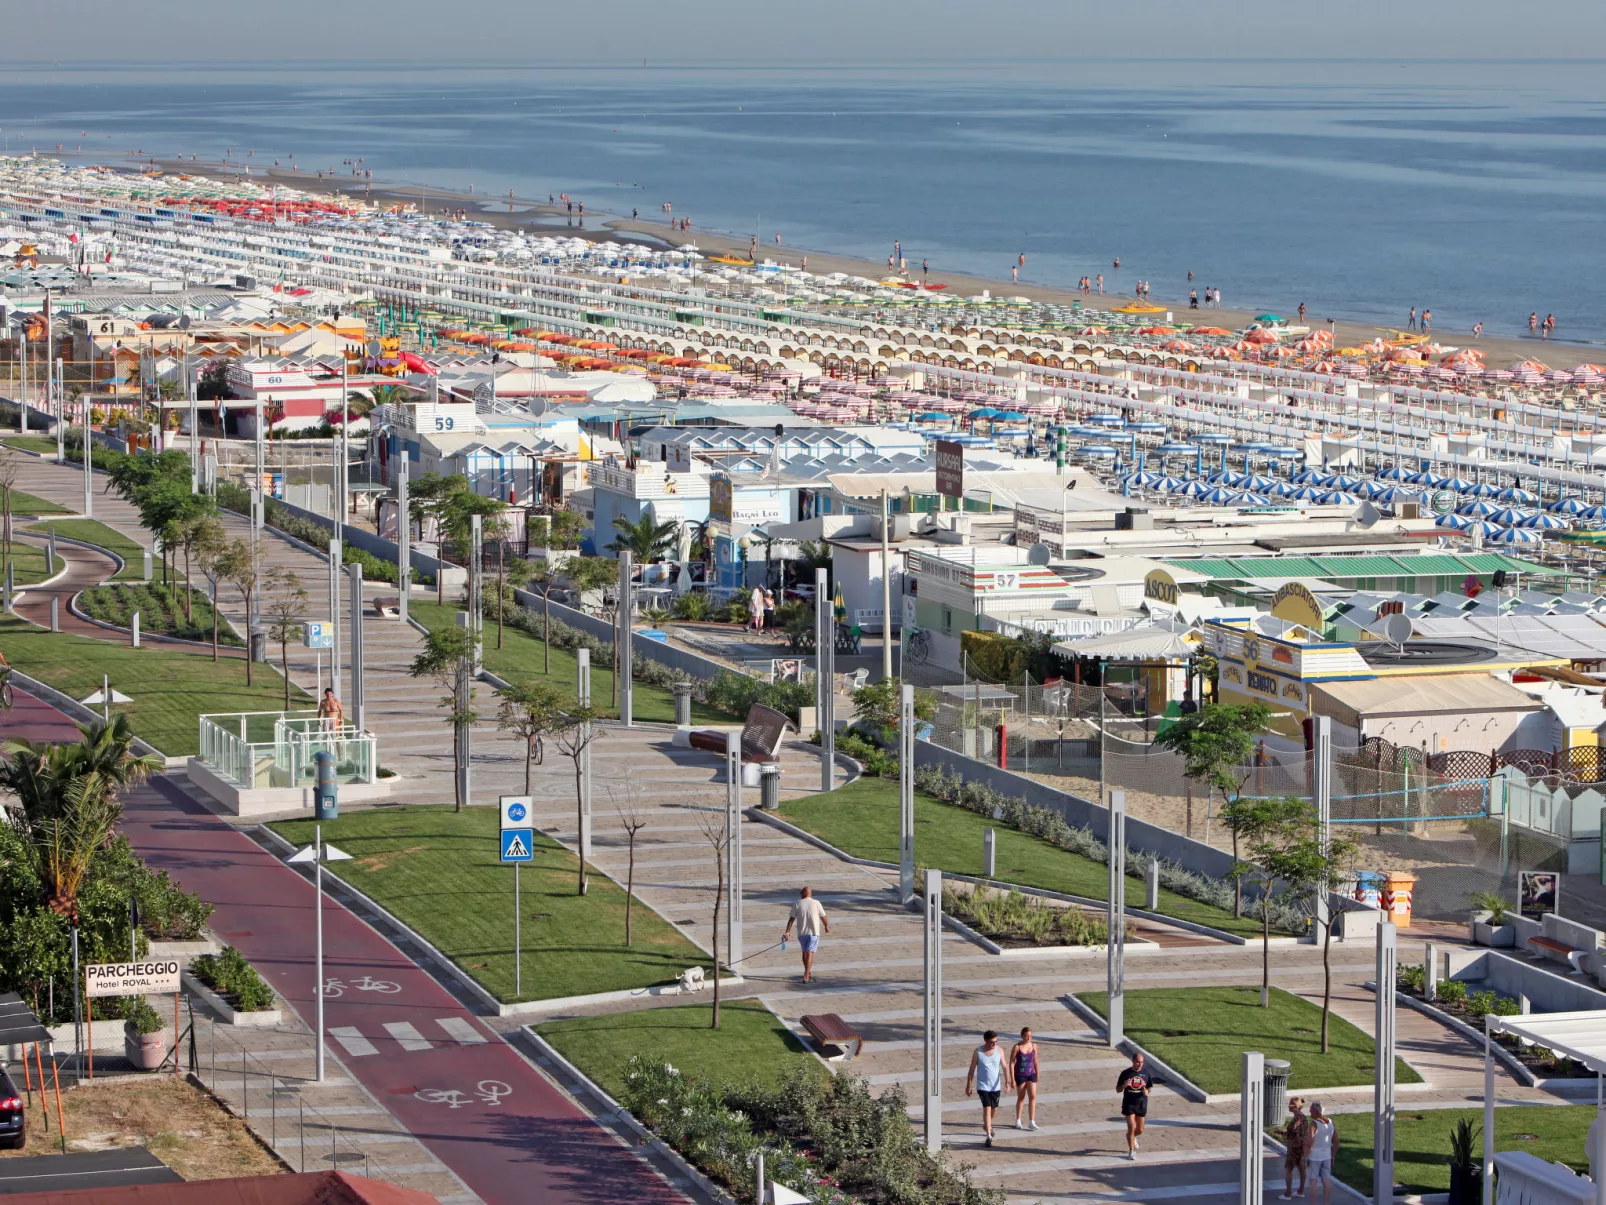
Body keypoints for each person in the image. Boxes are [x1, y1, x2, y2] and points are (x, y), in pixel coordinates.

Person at [966, 1030, 1011, 1148]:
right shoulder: (978, 1052)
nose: (994, 1044)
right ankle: (988, 1136)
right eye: (992, 1042)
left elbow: (1005, 1067)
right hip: (982, 1086)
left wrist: (1008, 1081)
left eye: (996, 1042)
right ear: (985, 1041)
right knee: (987, 1108)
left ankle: (987, 1125)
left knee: (994, 1109)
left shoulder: (999, 1050)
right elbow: (971, 1070)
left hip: (995, 1086)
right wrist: (968, 1085)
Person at [781, 886, 829, 982]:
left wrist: (787, 932)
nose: (800, 894)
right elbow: (823, 916)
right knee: (809, 952)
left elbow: (791, 919)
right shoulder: (816, 903)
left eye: (801, 893)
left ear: (804, 893)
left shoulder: (797, 903)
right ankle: (806, 975)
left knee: (805, 952)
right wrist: (826, 926)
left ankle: (807, 971)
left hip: (802, 933)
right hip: (814, 932)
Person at [1115, 1051, 1150, 1159]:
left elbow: (1148, 1088)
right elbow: (1118, 1090)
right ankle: (1131, 1151)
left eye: (1141, 1062)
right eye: (1137, 1062)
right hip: (1129, 1104)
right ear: (1133, 1061)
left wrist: (1146, 1092)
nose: (1139, 1064)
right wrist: (1124, 1085)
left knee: (1140, 1129)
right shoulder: (1126, 1073)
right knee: (1132, 1127)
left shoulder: (1146, 1073)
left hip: (1141, 1103)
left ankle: (1131, 1137)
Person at [1280, 1096, 1311, 1200]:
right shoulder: (1303, 1117)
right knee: (1302, 1168)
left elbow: (1294, 1133)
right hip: (1302, 1148)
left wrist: (1294, 1143)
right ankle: (1301, 1191)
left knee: (1289, 1169)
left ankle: (1288, 1193)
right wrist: (1282, 1133)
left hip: (1294, 1148)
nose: (1288, 1106)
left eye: (1290, 1104)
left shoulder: (1297, 1118)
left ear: (1295, 1106)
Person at [1305, 1102, 1336, 1205]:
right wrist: (1333, 1154)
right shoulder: (1331, 1122)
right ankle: (1327, 1203)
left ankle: (1313, 1203)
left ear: (1315, 1111)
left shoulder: (1314, 1124)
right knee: (1326, 1180)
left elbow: (1309, 1142)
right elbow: (1337, 1140)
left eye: (1310, 1109)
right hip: (1326, 1156)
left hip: (1314, 1156)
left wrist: (1304, 1157)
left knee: (1313, 1180)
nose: (1309, 1111)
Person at [1010, 1027, 1040, 1130]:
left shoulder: (1034, 1046)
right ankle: (1018, 1120)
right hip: (1020, 1074)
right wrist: (1012, 1079)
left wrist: (1037, 1073)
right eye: (1026, 1036)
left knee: (1033, 1097)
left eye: (1030, 1036)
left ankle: (1032, 1121)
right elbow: (1012, 1062)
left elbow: (1035, 1060)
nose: (1028, 1038)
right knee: (1021, 1097)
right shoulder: (1017, 1047)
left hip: (1031, 1074)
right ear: (1022, 1036)